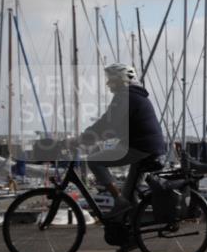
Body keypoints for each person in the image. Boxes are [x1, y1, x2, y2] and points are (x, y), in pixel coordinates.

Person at [70, 63, 166, 216]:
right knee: (129, 195)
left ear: (121, 80)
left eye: (111, 80)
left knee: (94, 161)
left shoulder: (125, 96)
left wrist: (82, 139)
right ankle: (134, 232)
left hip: (141, 148)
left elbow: (109, 125)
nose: (108, 83)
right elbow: (107, 123)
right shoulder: (132, 95)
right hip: (147, 148)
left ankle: (119, 201)